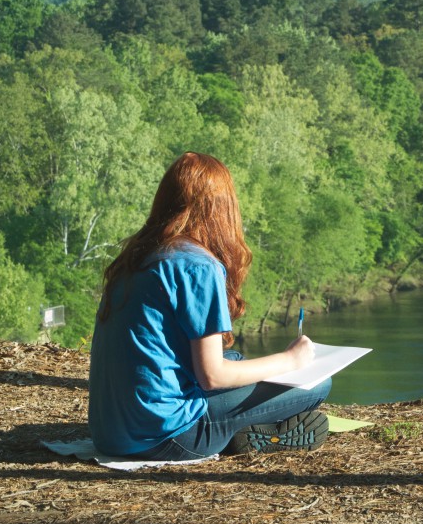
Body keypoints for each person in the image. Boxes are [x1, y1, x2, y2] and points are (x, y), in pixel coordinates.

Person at [88, 152, 330, 460]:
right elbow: (212, 377)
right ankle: (245, 433)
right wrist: (291, 359)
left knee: (236, 358)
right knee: (319, 383)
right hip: (169, 436)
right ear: (221, 209)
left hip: (110, 434)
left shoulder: (138, 256)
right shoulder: (197, 265)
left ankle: (246, 430)